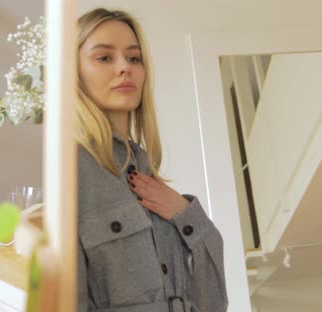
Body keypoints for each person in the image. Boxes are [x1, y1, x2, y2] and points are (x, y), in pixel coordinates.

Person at [76, 8, 228, 312]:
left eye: (134, 58)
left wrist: (186, 214)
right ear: (74, 72)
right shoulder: (74, 168)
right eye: (104, 57)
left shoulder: (142, 168)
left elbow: (212, 302)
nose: (124, 68)